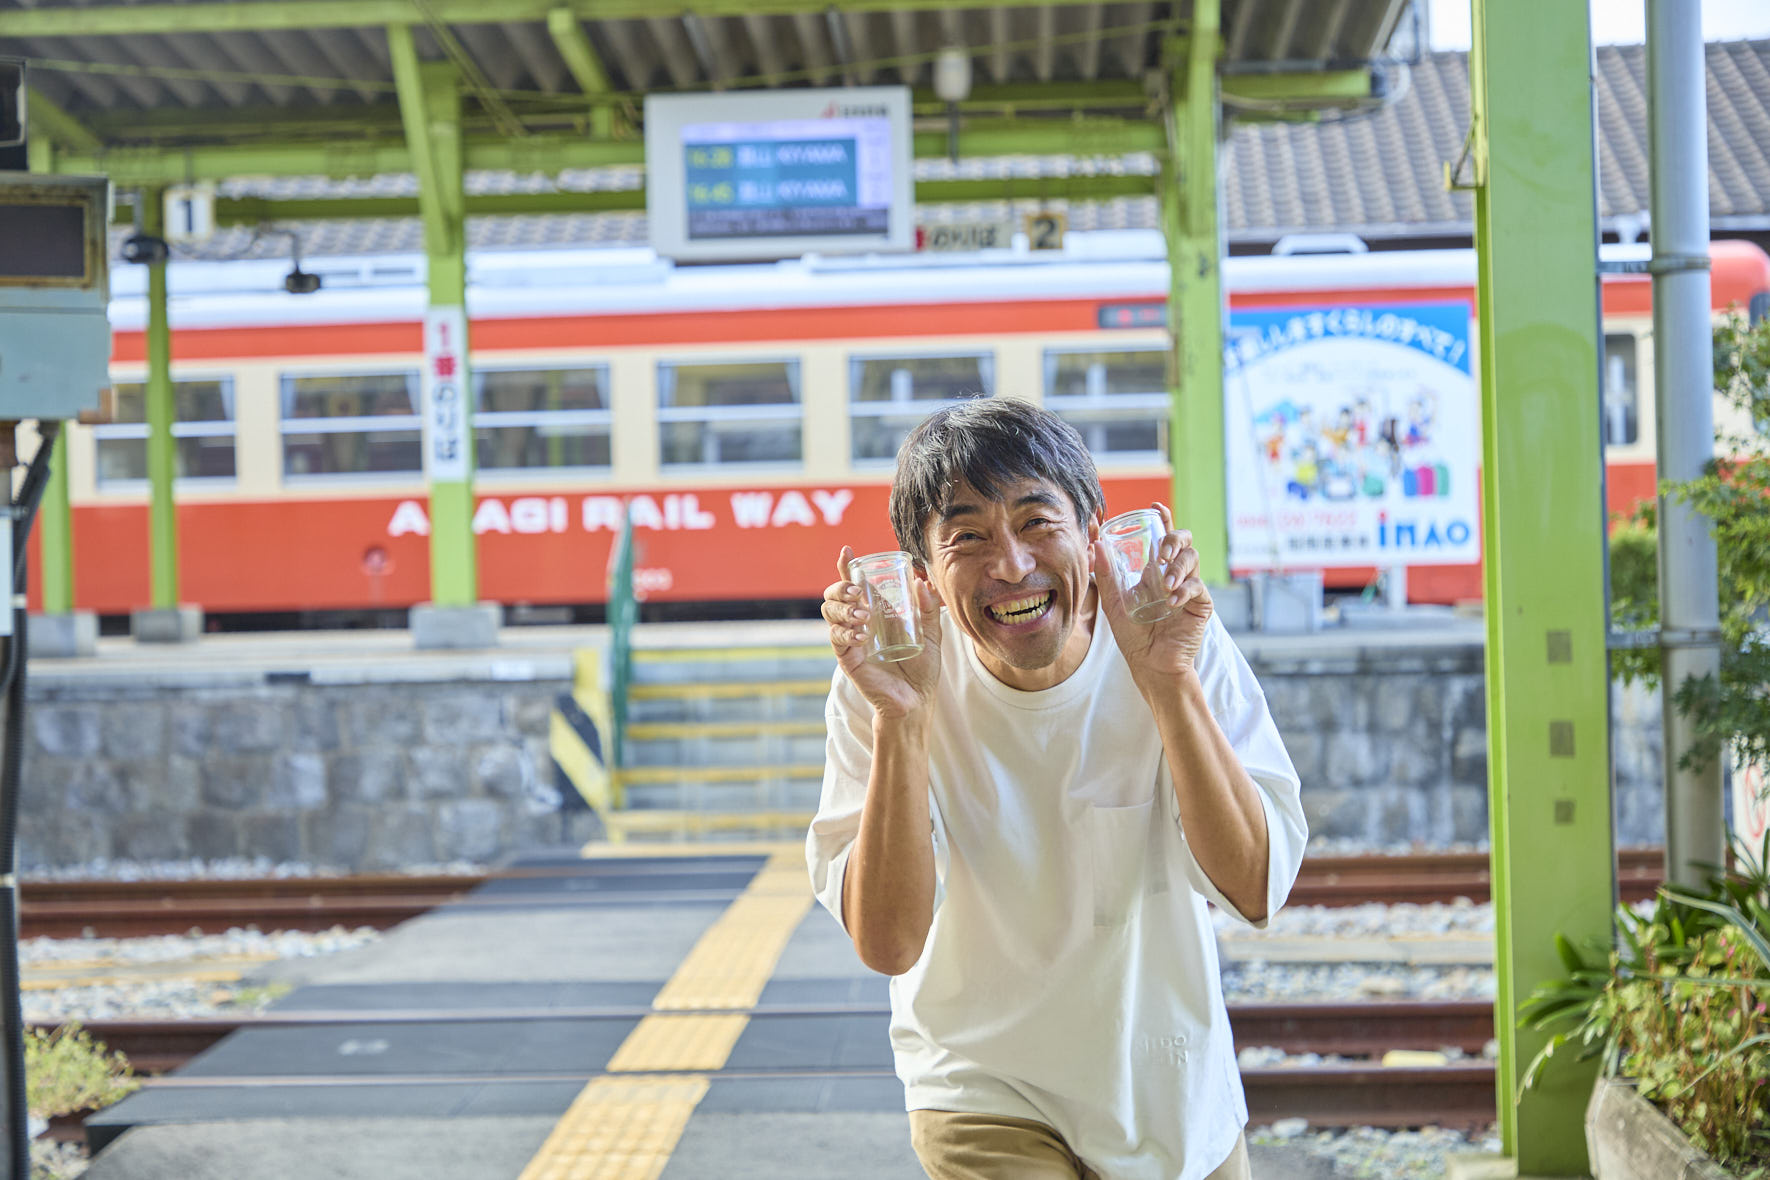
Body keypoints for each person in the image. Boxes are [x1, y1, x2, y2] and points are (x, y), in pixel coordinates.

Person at [808, 400, 1306, 1180]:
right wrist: (904, 719)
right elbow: (889, 942)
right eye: (967, 536)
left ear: (1094, 534)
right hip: (979, 1087)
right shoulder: (882, 687)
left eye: (1038, 521)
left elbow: (1254, 889)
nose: (1010, 564)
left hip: (1172, 1097)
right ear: (924, 577)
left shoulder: (1180, 640)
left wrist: (1167, 681)